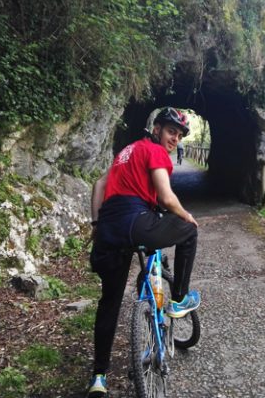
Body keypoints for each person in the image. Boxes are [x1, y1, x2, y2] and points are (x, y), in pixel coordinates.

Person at [86, 107, 201, 398]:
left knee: (109, 301)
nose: (174, 138)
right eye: (171, 131)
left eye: (179, 134)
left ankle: (99, 377)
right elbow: (165, 196)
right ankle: (178, 299)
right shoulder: (155, 151)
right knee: (188, 231)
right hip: (135, 221)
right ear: (157, 129)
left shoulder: (126, 151)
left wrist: (96, 224)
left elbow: (99, 185)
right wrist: (185, 215)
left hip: (109, 229)